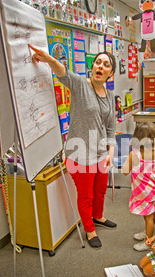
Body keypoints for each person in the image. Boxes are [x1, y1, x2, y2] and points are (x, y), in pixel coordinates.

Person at [28, 44, 117, 249]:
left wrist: (111, 151)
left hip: (102, 153)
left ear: (110, 73)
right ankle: (90, 229)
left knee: (100, 191)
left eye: (106, 65)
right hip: (80, 154)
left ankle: (98, 216)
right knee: (85, 195)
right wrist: (49, 59)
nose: (100, 67)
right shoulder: (80, 85)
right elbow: (63, 73)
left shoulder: (110, 96)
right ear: (92, 66)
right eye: (97, 62)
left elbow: (111, 126)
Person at [122, 121, 155, 251]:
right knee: (151, 212)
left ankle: (148, 241)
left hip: (142, 190)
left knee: (148, 217)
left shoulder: (134, 154)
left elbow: (124, 171)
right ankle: (148, 232)